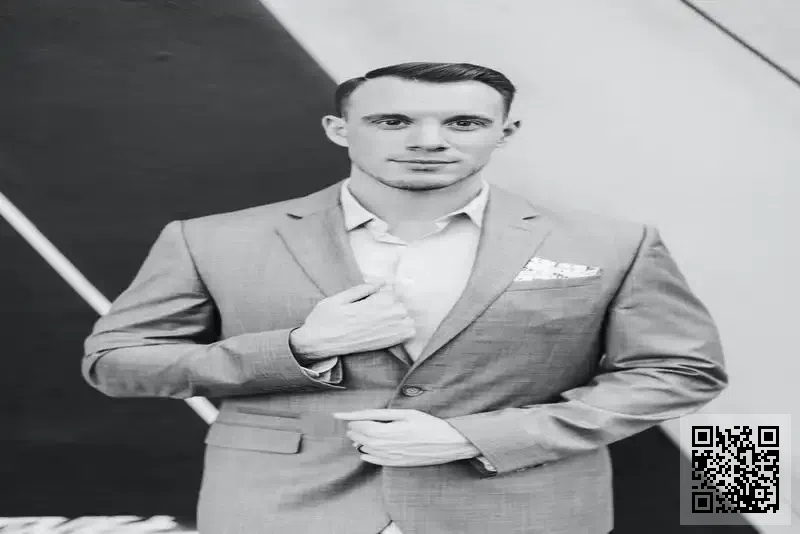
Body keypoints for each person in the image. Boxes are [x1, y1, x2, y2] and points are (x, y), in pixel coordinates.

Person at [83, 62, 727, 534]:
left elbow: (680, 371)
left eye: (464, 122)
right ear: (339, 129)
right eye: (392, 121)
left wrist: (477, 437)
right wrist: (297, 349)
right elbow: (115, 364)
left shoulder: (613, 243)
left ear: (506, 131)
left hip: (522, 510)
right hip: (280, 510)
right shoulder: (211, 240)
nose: (428, 140)